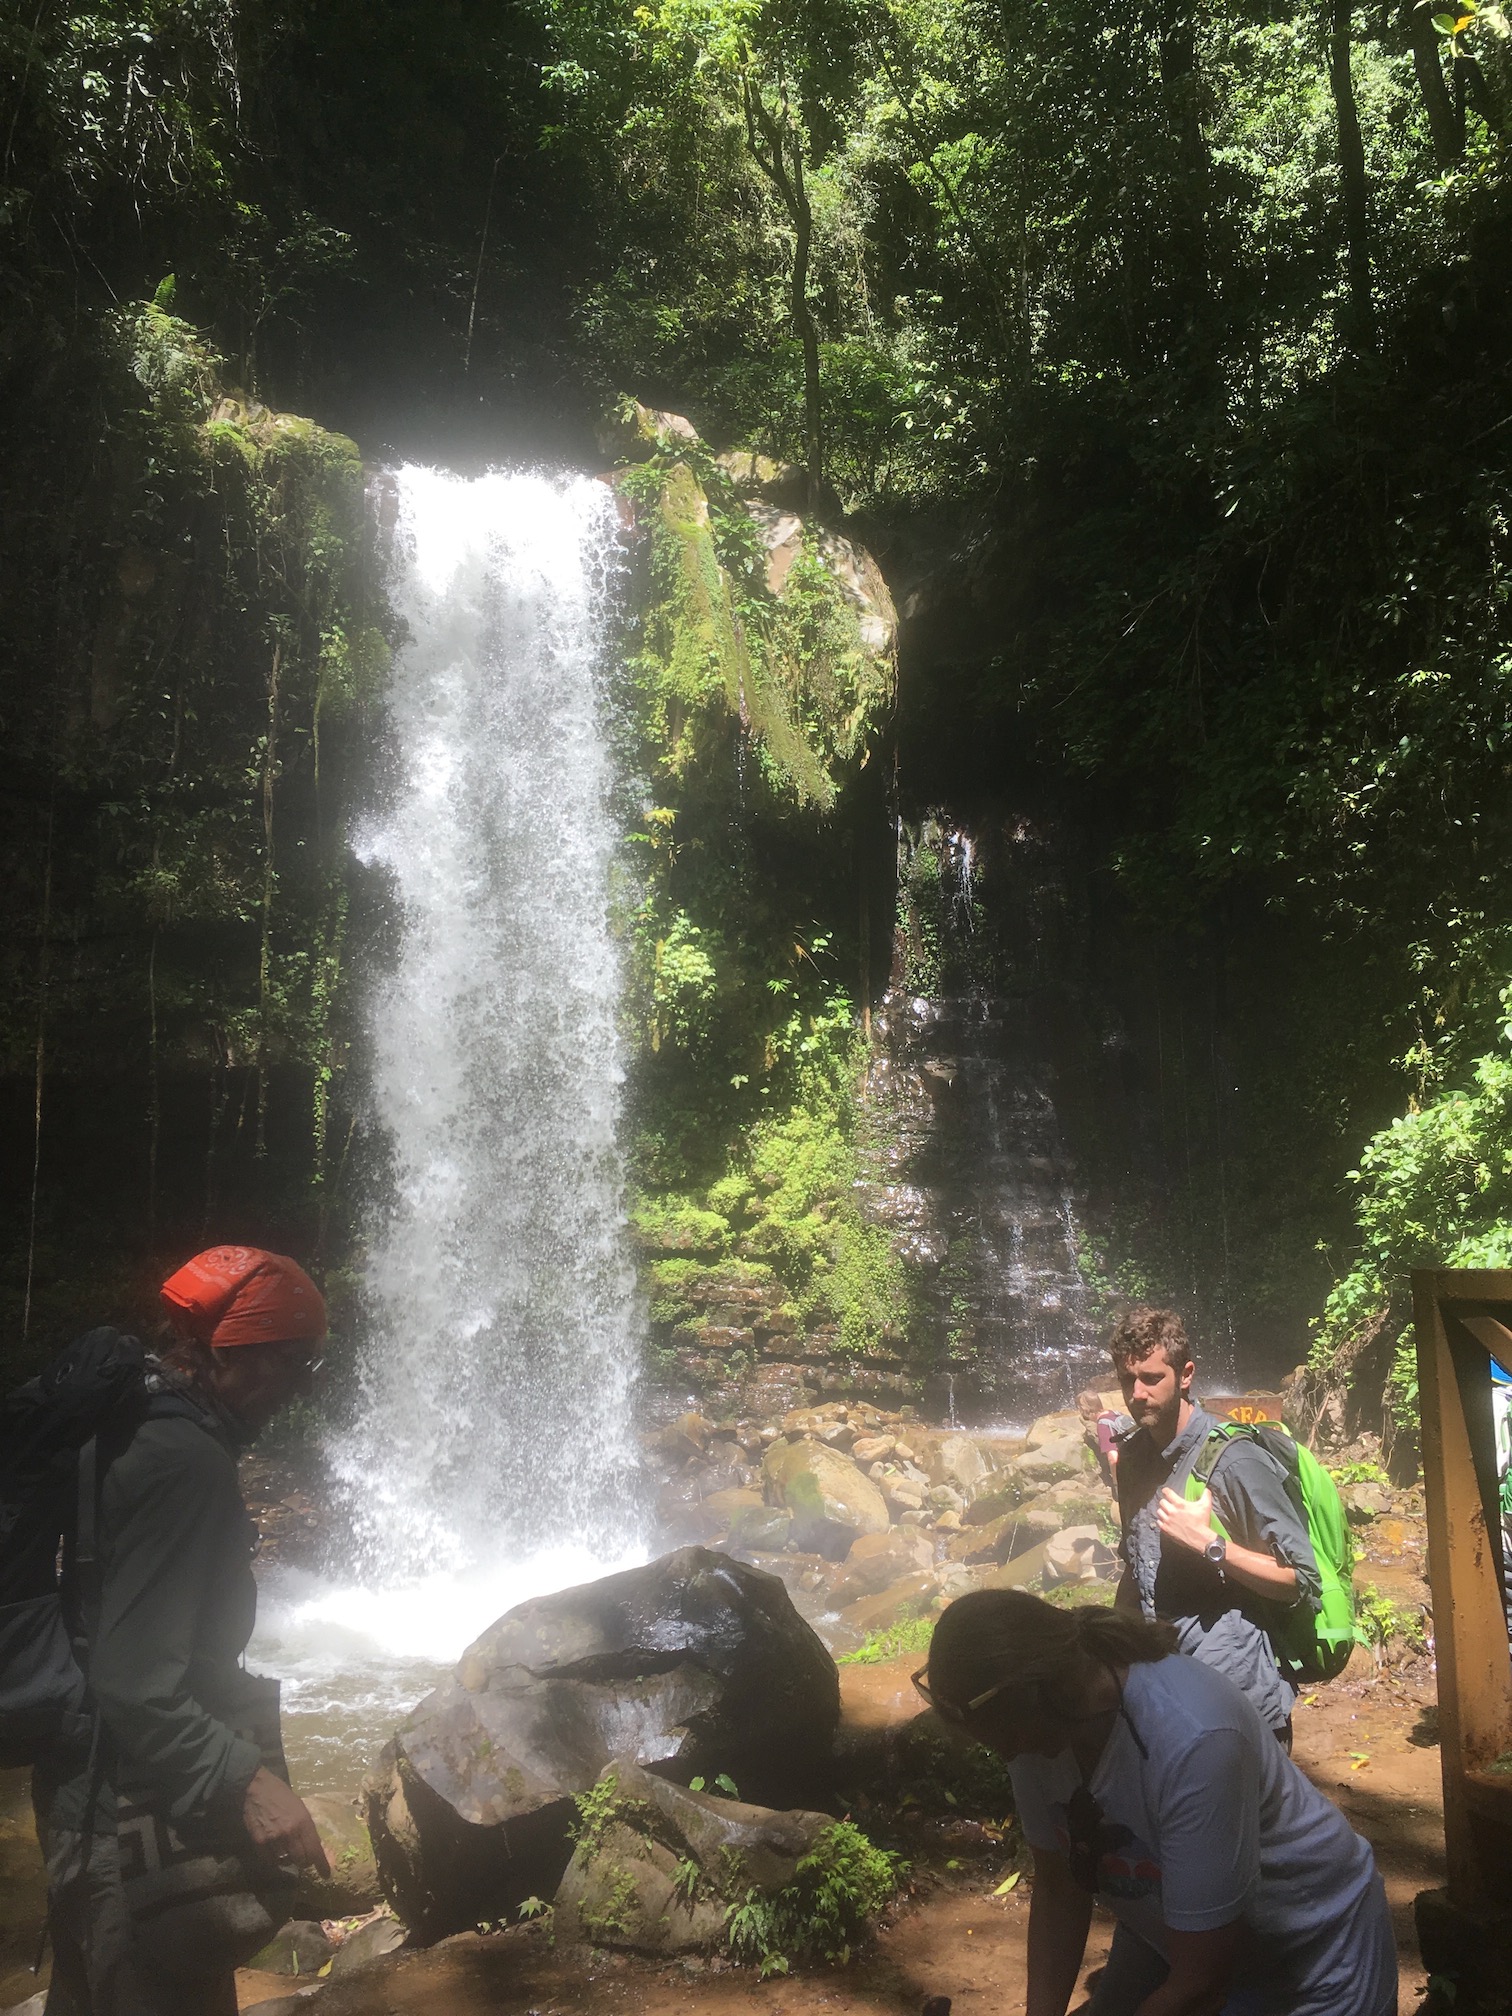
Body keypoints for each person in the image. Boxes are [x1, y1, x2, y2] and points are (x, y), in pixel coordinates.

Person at [34, 1246, 331, 2016]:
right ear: (240, 1357)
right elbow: (135, 1679)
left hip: (84, 1783)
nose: (298, 1389)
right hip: (124, 1802)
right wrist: (249, 1781)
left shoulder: (136, 1421)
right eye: (297, 1364)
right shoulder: (184, 1462)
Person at [918, 1589, 1396, 2016]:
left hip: (1311, 1953)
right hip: (1174, 1934)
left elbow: (1200, 1984)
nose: (1006, 1754)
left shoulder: (1194, 1738)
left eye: (1007, 1737)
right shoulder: (1036, 1732)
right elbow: (1061, 1888)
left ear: (1041, 1691)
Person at [1107, 1307, 1318, 1744]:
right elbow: (1138, 1569)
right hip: (1164, 1690)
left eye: (1151, 1378)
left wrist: (1209, 1544)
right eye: (1128, 1380)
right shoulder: (1131, 1459)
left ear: (1185, 1375)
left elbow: (1299, 1580)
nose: (1137, 1393)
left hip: (1237, 1702)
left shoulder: (1235, 1459)